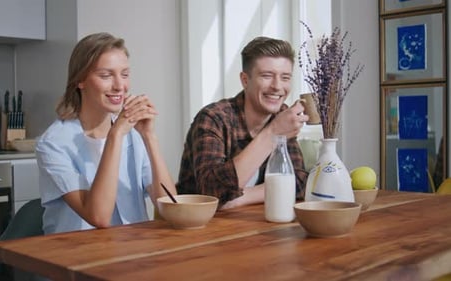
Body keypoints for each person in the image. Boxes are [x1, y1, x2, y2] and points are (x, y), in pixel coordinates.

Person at [36, 32, 176, 234]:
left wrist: (149, 137)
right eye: (106, 75)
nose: (120, 86)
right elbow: (99, 217)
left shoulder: (134, 134)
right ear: (80, 80)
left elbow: (170, 207)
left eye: (125, 74)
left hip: (134, 251)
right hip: (77, 255)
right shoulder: (53, 143)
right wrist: (115, 135)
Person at [177, 36, 309, 209]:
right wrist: (272, 133)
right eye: (267, 76)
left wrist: (238, 198)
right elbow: (210, 193)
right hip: (200, 229)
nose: (277, 86)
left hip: (254, 224)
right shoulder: (213, 118)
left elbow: (298, 182)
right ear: (245, 80)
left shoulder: (282, 115)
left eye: (285, 77)